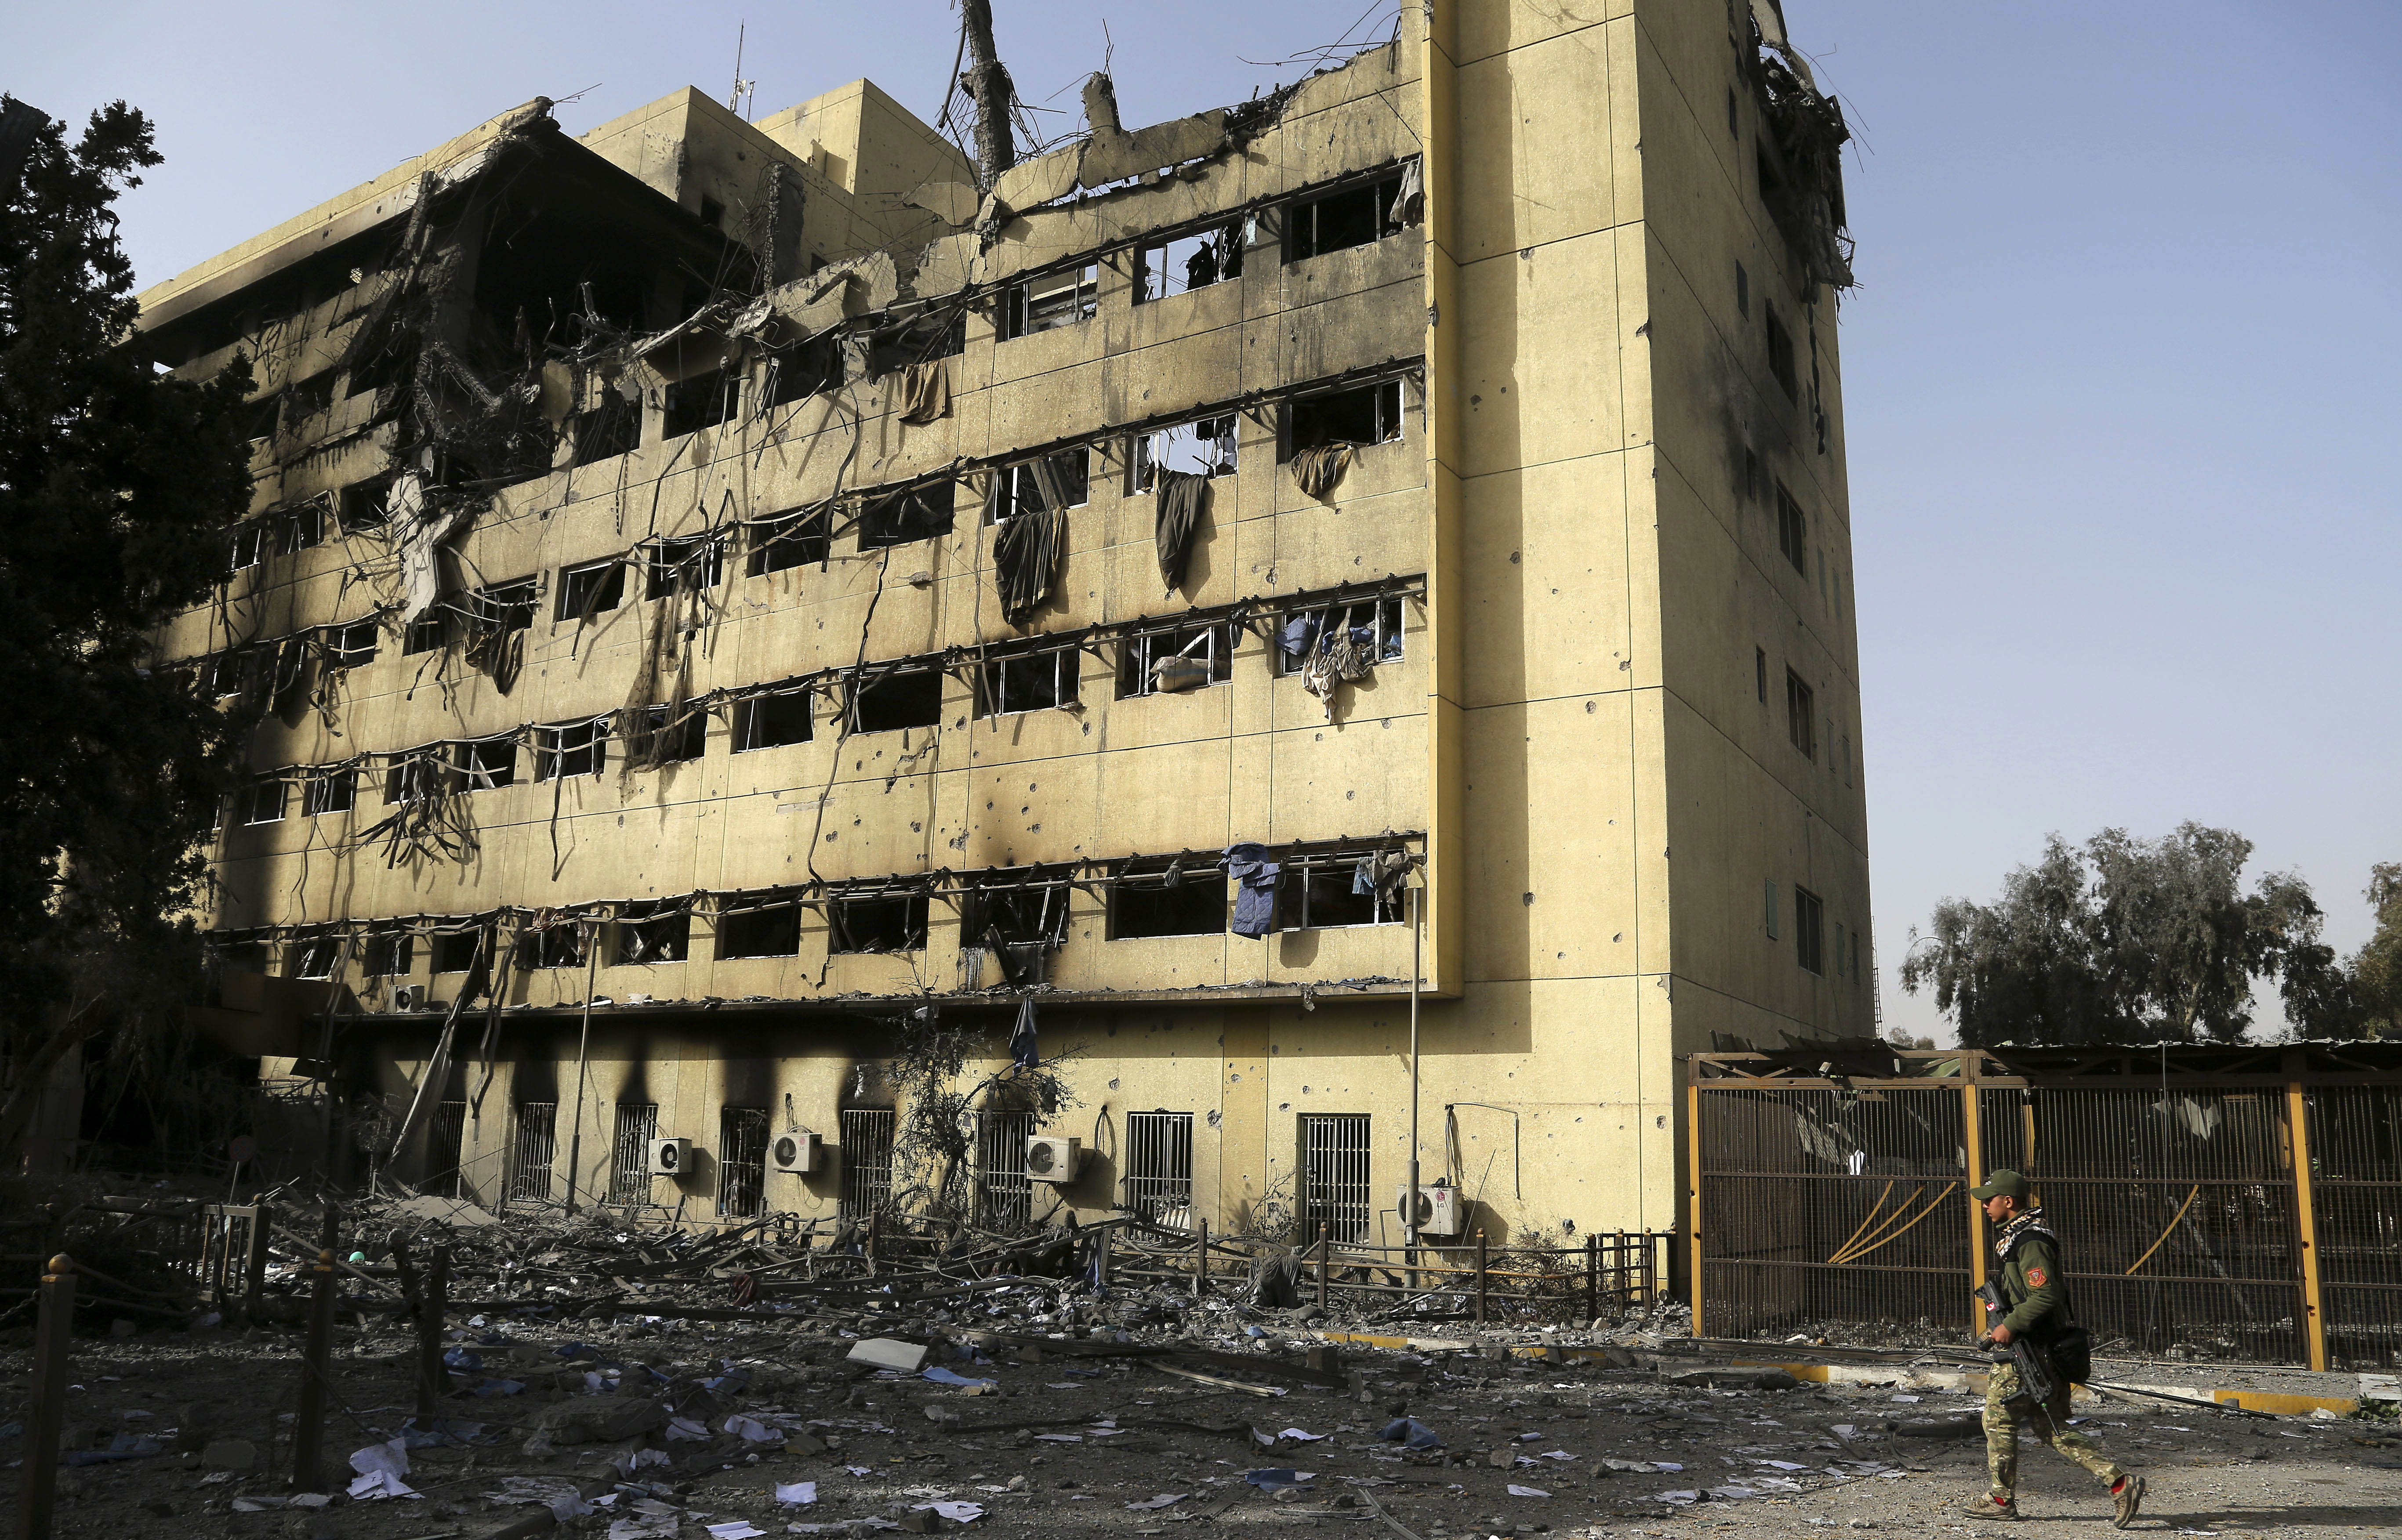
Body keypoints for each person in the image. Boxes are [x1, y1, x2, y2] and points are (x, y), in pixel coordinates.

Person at [1963, 1169, 2144, 1526]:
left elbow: (2046, 1294)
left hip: (2030, 1350)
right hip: (2041, 1348)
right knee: (2051, 1425)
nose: (1985, 1206)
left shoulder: (2029, 1240)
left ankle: (2001, 1499)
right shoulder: (2018, 1237)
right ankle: (2120, 1483)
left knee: (1997, 1419)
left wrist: (2008, 1327)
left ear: (2009, 1201)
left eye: (1990, 1199)